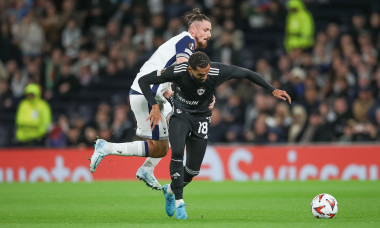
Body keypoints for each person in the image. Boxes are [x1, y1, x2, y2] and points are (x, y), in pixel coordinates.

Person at [138, 51, 291, 219]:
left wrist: (272, 89)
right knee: (177, 152)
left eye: (207, 72)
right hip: (180, 115)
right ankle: (179, 202)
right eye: (200, 73)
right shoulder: (178, 71)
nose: (205, 76)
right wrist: (153, 106)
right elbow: (143, 80)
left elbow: (247, 73)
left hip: (202, 118)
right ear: (190, 69)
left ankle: (169, 190)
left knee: (192, 171)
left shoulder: (216, 71)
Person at [89, 8, 213, 190]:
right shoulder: (187, 41)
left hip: (155, 93)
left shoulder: (182, 42)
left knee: (177, 126)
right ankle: (106, 148)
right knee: (160, 148)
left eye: (210, 30)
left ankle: (147, 168)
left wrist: (168, 89)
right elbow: (181, 69)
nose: (209, 34)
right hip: (147, 93)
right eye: (206, 30)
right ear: (193, 30)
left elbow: (168, 69)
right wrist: (203, 94)